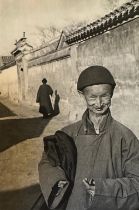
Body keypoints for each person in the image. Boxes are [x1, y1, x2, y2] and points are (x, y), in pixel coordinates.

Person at [38, 66, 139, 210]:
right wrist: (57, 182)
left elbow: (137, 182)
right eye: (92, 97)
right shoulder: (67, 134)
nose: (98, 104)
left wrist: (102, 190)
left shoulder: (125, 137)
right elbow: (48, 161)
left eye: (105, 96)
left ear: (112, 93)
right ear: (82, 95)